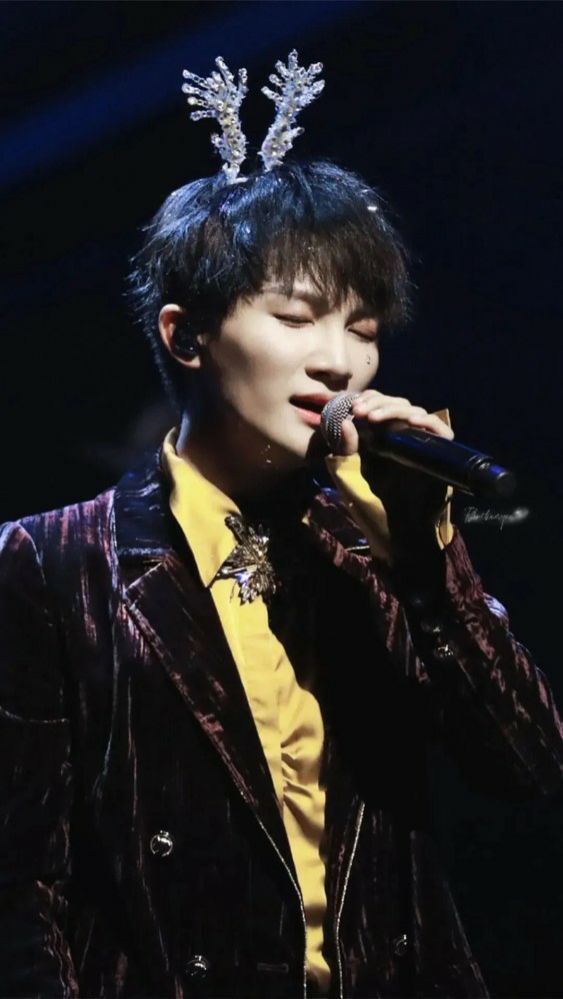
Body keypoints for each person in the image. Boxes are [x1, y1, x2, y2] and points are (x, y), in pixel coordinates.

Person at [1, 54, 562, 999]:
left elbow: (527, 768)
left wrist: (430, 564)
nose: (338, 360)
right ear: (185, 334)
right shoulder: (51, 562)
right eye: (297, 318)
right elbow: (21, 892)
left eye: (363, 328)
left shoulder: (374, 546)